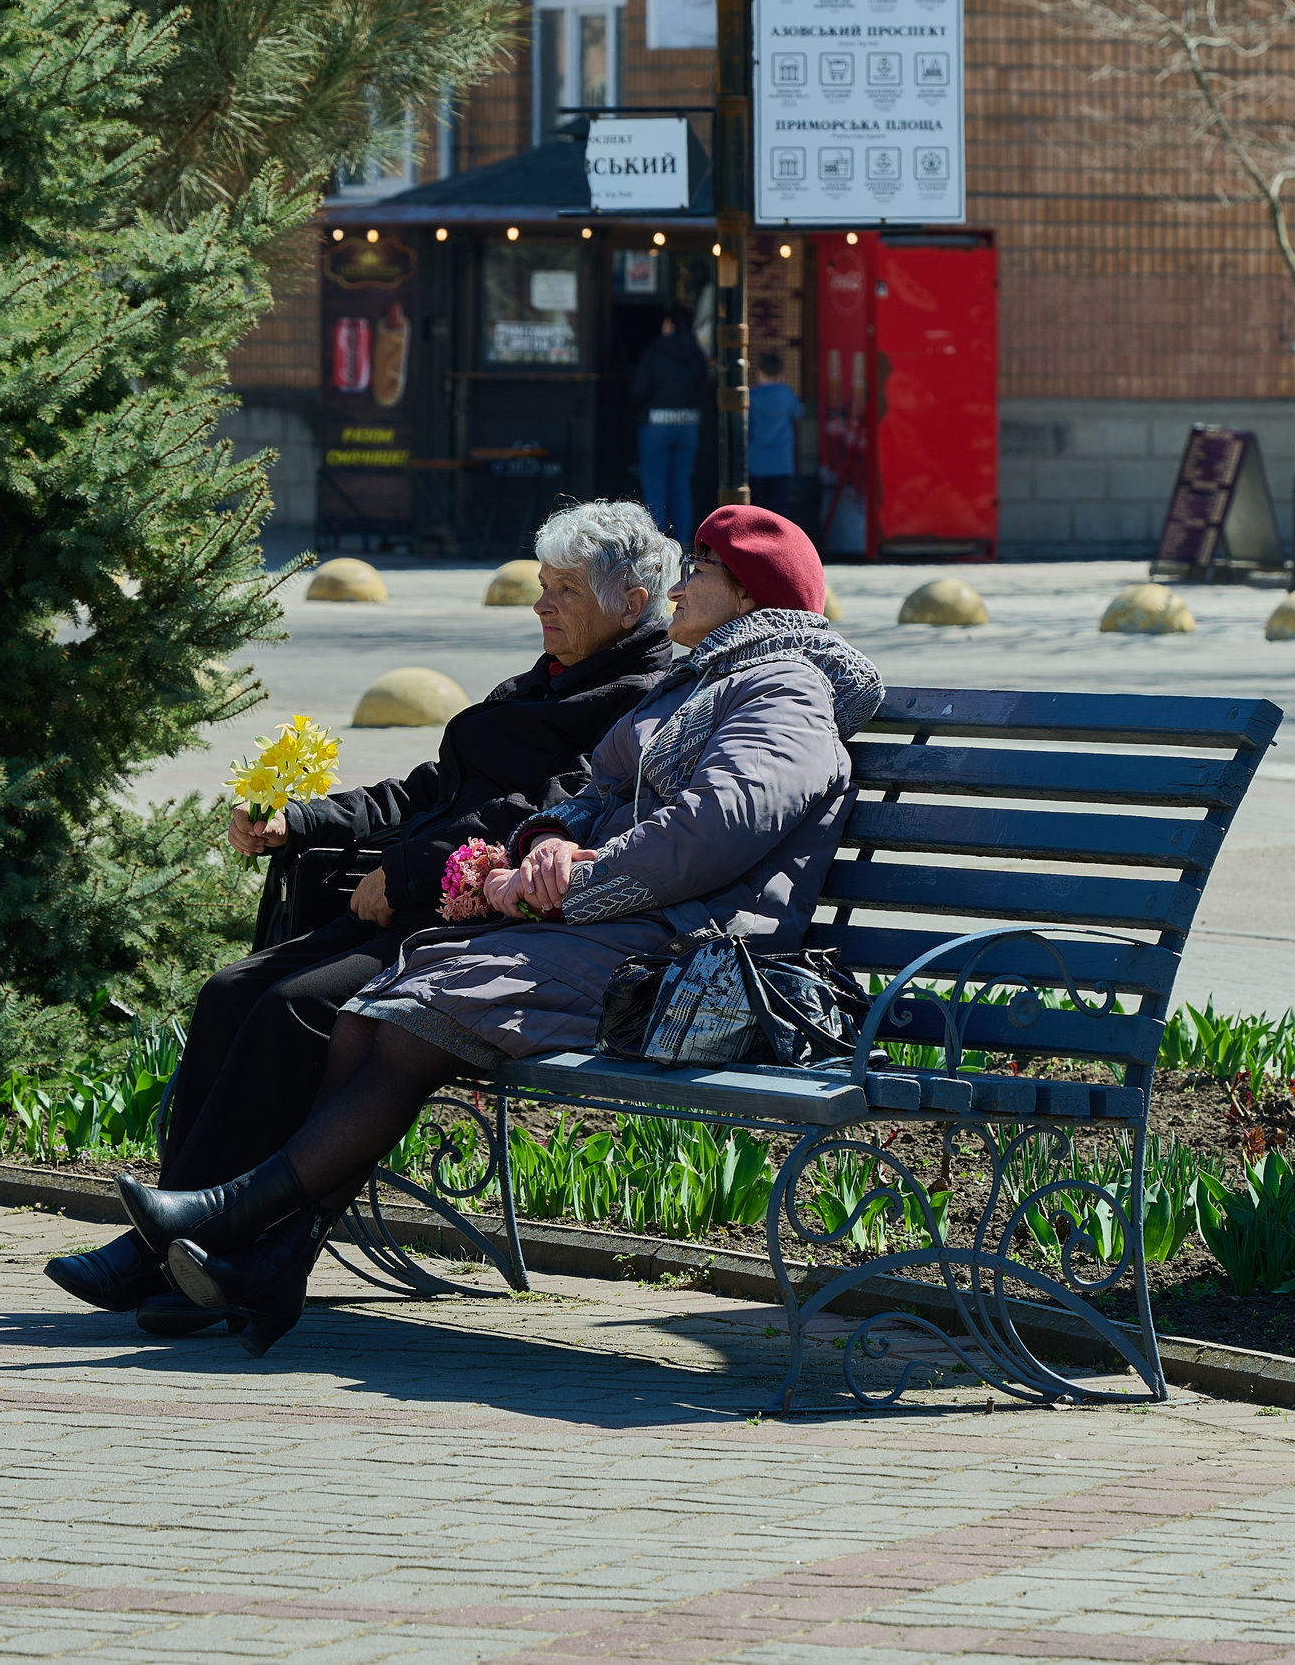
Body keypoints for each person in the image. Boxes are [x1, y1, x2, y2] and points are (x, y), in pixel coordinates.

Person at [111, 505, 882, 1357]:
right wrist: (547, 840)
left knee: (425, 996)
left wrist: (578, 877)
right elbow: (588, 793)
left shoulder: (785, 690)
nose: (681, 584)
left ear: (748, 597)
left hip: (691, 956)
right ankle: (272, 1258)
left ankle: (235, 1222)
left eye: (699, 569)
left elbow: (716, 826)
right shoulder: (702, 682)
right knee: (383, 1005)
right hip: (629, 931)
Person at [44, 503, 680, 1331]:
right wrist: (301, 820)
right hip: (416, 900)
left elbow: (544, 816)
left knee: (293, 1007)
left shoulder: (634, 698)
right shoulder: (552, 675)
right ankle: (172, 1243)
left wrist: (406, 872)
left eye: (563, 590)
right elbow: (430, 789)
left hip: (481, 928)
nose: (541, 605)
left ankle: (185, 1258)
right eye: (541, 586)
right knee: (232, 989)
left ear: (631, 603)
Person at [630, 313, 709, 542]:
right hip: (688, 424)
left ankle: (656, 546)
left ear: (670, 324)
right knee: (681, 487)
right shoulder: (696, 353)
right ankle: (683, 544)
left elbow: (639, 389)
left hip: (656, 423)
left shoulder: (655, 351)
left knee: (655, 487)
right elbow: (702, 386)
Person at [747, 352, 806, 523]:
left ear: (759, 373)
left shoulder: (752, 396)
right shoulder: (787, 394)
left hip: (757, 461)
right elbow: (799, 414)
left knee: (758, 508)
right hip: (782, 461)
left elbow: (747, 427)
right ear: (780, 374)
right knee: (780, 508)